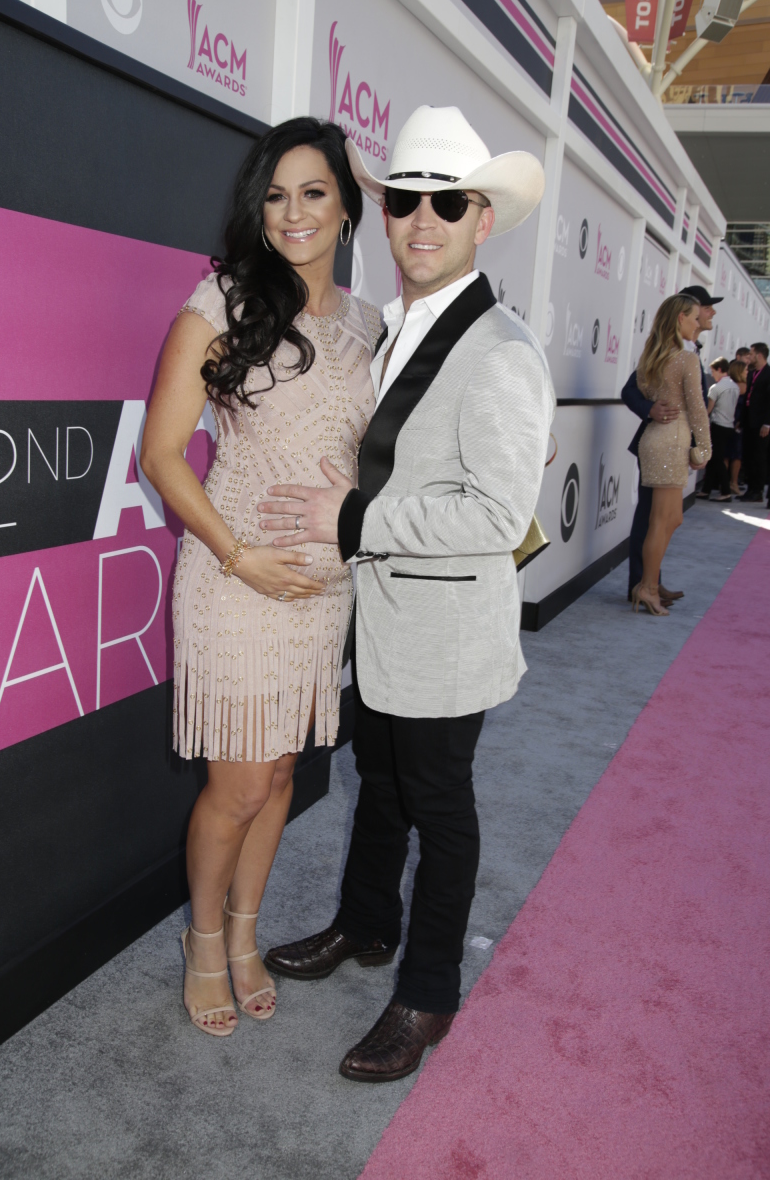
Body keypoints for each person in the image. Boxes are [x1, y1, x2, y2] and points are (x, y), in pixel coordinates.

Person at [258, 105, 554, 1082]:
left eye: (446, 204)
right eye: (405, 203)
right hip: (376, 628)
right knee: (376, 789)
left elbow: (492, 514)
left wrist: (346, 522)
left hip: (444, 641)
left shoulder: (501, 350)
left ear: (480, 218)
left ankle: (427, 993)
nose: (421, 221)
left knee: (438, 808)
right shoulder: (395, 331)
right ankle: (364, 925)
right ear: (382, 218)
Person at [141, 118, 380, 1036]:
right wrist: (241, 557)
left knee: (281, 775)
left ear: (348, 206)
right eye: (276, 195)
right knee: (237, 785)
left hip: (322, 592)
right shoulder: (222, 302)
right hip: (234, 579)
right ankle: (205, 941)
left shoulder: (370, 326)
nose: (293, 213)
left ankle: (246, 936)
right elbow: (163, 456)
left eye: (314, 192)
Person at [632, 294, 711, 616]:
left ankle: (648, 584)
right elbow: (697, 407)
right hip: (670, 442)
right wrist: (704, 447)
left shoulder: (654, 356)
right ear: (680, 318)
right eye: (694, 318)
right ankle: (647, 588)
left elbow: (647, 392)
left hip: (657, 438)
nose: (698, 324)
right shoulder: (685, 359)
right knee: (661, 520)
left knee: (670, 519)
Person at [620, 371, 684, 605]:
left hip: (679, 448)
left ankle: (651, 582)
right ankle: (642, 585)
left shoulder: (691, 351)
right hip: (658, 449)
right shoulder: (665, 349)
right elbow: (629, 391)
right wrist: (649, 409)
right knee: (650, 517)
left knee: (669, 520)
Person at [699, 355, 737, 501]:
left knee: (716, 459)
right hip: (729, 426)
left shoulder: (716, 387)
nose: (712, 375)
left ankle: (726, 492)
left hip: (718, 426)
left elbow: (708, 409)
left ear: (720, 369)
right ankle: (706, 490)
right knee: (714, 458)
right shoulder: (734, 386)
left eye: (713, 371)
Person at [740, 342, 770, 504]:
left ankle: (757, 490)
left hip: (761, 425)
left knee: (759, 457)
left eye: (751, 354)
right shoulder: (752, 373)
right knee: (749, 456)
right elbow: (747, 398)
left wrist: (767, 423)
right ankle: (750, 489)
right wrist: (741, 420)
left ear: (759, 355)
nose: (749, 357)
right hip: (749, 422)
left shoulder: (768, 374)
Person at [730, 359, 748, 494]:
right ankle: (733, 483)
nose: (748, 372)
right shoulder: (741, 386)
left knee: (731, 454)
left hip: (734, 421)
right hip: (736, 422)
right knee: (736, 454)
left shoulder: (734, 385)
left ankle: (729, 483)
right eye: (745, 370)